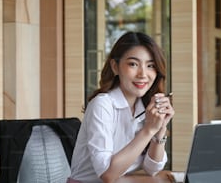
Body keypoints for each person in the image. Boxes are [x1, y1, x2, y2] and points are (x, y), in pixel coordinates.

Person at [67, 31, 175, 183]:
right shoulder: (102, 105)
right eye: (133, 64)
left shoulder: (144, 107)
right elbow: (108, 174)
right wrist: (148, 130)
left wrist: (160, 128)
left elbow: (152, 169)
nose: (143, 74)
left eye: (150, 65)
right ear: (115, 66)